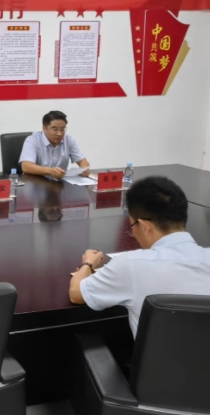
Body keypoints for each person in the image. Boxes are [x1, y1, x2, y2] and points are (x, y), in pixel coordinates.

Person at [69, 176, 210, 338]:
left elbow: (76, 293)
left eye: (132, 226)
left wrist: (88, 264)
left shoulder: (132, 265)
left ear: (145, 226)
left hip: (158, 356)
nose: (133, 233)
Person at [19, 110, 90, 180]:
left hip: (59, 183)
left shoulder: (68, 139)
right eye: (55, 129)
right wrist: (50, 171)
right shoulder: (32, 140)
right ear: (44, 128)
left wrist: (84, 169)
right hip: (37, 182)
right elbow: (26, 167)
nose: (59, 133)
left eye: (62, 129)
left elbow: (83, 162)